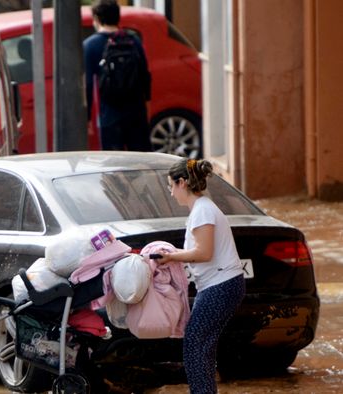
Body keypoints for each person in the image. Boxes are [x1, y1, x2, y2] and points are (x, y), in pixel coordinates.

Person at [156, 158, 246, 393]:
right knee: (201, 346)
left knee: (195, 345)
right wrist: (175, 253)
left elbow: (204, 253)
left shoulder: (202, 210)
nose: (171, 192)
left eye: (171, 185)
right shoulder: (202, 208)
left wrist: (171, 257)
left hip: (221, 286)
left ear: (182, 182)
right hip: (221, 285)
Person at [84, 0, 152, 151]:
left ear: (96, 18)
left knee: (113, 165)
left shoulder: (90, 45)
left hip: (109, 114)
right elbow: (145, 75)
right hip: (137, 112)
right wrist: (147, 105)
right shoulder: (133, 40)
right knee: (142, 161)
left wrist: (87, 117)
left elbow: (88, 83)